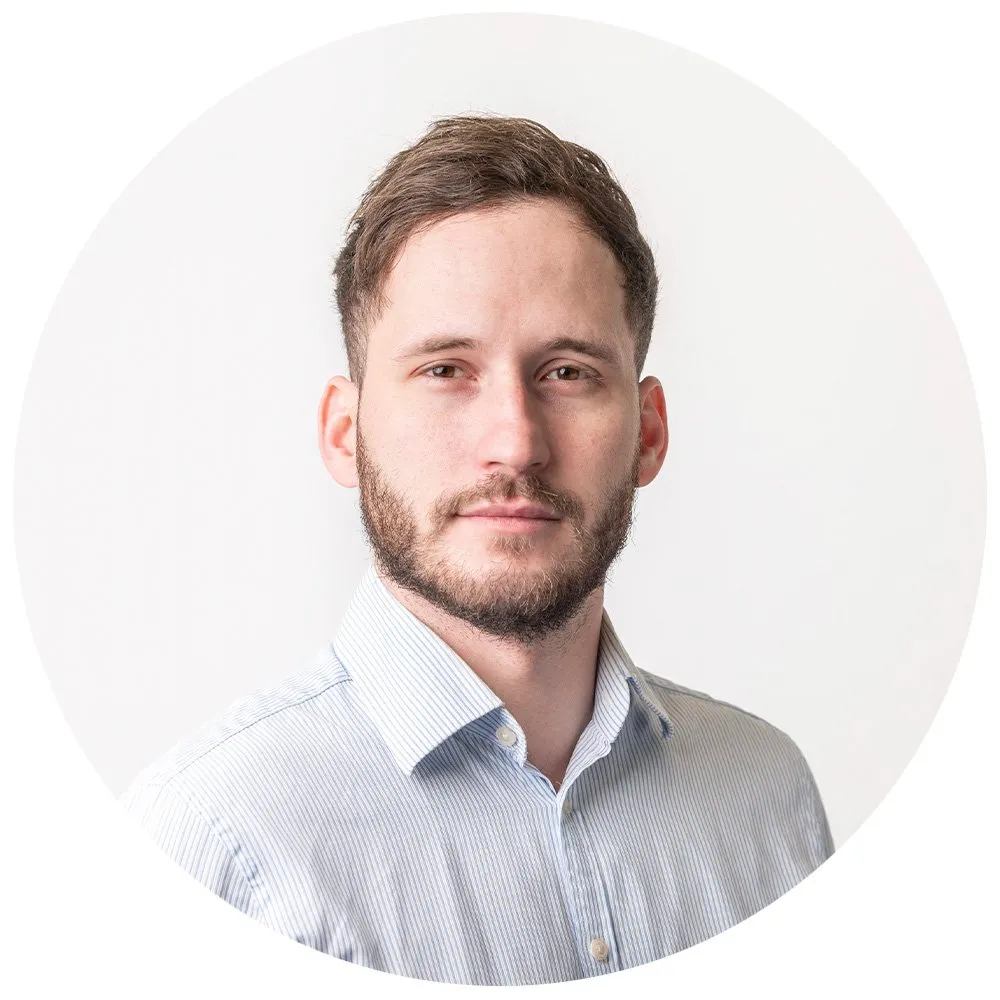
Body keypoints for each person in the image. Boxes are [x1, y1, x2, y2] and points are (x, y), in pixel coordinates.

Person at [122, 114, 833, 985]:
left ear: (648, 432)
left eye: (567, 372)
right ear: (345, 433)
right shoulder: (216, 839)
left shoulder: (768, 795)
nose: (515, 444)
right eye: (445, 370)